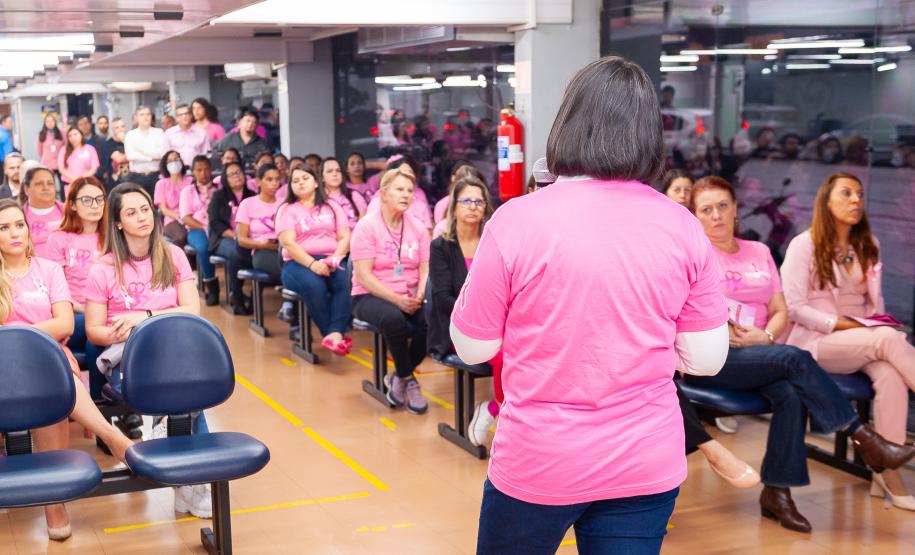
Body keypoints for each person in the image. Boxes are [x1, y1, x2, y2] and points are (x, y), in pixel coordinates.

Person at [451, 56, 730, 554]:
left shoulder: (516, 221)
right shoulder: (682, 225)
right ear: (649, 133)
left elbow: (473, 348)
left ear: (568, 123)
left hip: (541, 458)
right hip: (644, 460)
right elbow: (707, 361)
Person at [685, 175, 915, 532]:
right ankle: (865, 438)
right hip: (716, 356)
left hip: (761, 351)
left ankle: (777, 493)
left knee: (791, 393)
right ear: (693, 216)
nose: (716, 215)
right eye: (706, 209)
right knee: (795, 358)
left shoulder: (759, 252)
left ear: (736, 211)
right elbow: (687, 311)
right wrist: (728, 333)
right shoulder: (694, 257)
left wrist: (766, 335)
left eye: (723, 206)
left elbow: (781, 308)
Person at [0, 198, 134, 541]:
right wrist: (21, 338)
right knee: (42, 368)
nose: (15, 232)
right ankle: (111, 436)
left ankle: (54, 498)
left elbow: (64, 325)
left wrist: (18, 334)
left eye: (19, 224)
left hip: (47, 358)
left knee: (53, 372)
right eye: (4, 227)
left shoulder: (47, 269)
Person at [781, 172, 915, 509]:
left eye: (859, 194)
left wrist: (872, 324)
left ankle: (885, 471)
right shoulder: (804, 244)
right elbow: (795, 308)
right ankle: (886, 472)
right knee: (886, 338)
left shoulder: (868, 245)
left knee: (890, 374)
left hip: (863, 338)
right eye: (846, 194)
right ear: (826, 201)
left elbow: (876, 305)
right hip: (816, 342)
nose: (856, 200)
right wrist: (841, 324)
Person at [83, 182, 210, 519]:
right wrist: (122, 328)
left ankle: (189, 483)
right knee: (186, 394)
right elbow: (93, 331)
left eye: (144, 209)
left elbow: (192, 308)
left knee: (191, 389)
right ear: (118, 223)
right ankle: (194, 485)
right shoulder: (103, 268)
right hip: (131, 360)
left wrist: (145, 317)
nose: (142, 217)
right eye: (131, 212)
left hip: (177, 353)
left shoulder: (173, 254)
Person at [351, 164, 430, 414]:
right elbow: (363, 275)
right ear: (383, 194)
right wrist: (397, 299)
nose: (406, 195)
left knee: (434, 320)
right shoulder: (367, 227)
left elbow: (425, 268)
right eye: (399, 189)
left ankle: (399, 376)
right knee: (395, 320)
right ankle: (409, 379)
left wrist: (420, 293)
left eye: (409, 190)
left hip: (409, 295)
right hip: (369, 295)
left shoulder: (417, 227)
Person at [428, 176, 502, 445]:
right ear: (455, 208)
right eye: (467, 201)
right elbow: (443, 298)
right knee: (506, 353)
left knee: (523, 348)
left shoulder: (493, 242)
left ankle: (496, 408)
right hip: (455, 326)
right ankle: (498, 409)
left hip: (495, 322)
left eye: (479, 201)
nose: (473, 207)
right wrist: (482, 313)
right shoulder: (441, 246)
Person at [45, 177, 114, 402]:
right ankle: (108, 408)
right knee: (93, 328)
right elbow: (56, 288)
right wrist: (85, 309)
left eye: (99, 199)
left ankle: (101, 408)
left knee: (94, 343)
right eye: (87, 199)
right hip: (73, 317)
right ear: (73, 204)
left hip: (106, 316)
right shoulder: (59, 238)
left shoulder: (113, 238)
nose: (95, 205)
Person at [277, 165, 352, 354]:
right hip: (298, 263)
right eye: (295, 181)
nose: (300, 182)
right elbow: (288, 243)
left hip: (330, 259)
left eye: (305, 178)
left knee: (346, 281)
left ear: (316, 182)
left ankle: (335, 333)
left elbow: (345, 236)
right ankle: (331, 333)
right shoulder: (287, 209)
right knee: (315, 285)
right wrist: (312, 264)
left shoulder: (332, 206)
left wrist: (336, 258)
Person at [207, 160, 254, 314]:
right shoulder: (218, 196)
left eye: (239, 172)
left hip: (248, 238)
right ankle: (237, 296)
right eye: (232, 174)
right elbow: (215, 222)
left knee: (256, 254)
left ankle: (252, 297)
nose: (237, 176)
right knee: (236, 252)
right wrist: (236, 236)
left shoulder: (252, 196)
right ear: (225, 178)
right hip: (223, 238)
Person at [179, 155, 220, 305]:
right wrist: (204, 227)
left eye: (206, 169)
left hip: (219, 229)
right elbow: (186, 217)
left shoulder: (219, 188)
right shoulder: (187, 191)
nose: (203, 173)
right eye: (199, 170)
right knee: (203, 247)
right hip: (197, 229)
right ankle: (212, 288)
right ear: (193, 172)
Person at [235, 164, 283, 285]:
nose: (274, 183)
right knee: (286, 270)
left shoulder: (284, 203)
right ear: (258, 182)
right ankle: (290, 301)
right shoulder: (247, 204)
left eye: (277, 179)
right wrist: (263, 245)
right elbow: (241, 239)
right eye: (269, 179)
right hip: (261, 251)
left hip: (285, 248)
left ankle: (291, 301)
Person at [20, 166, 65, 258]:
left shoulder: (68, 212)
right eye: (39, 184)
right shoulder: (19, 216)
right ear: (26, 189)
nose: (46, 187)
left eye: (50, 183)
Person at [124, 106, 167, 198]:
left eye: (148, 114)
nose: (145, 117)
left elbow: (162, 153)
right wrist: (151, 157)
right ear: (136, 118)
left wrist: (142, 150)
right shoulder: (130, 135)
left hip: (155, 176)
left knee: (155, 206)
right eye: (142, 115)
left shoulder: (159, 133)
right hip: (136, 177)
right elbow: (131, 156)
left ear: (151, 116)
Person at [153, 150, 192, 246]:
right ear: (165, 165)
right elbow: (163, 209)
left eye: (176, 159)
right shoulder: (161, 184)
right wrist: (178, 217)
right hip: (172, 220)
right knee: (181, 236)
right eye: (170, 161)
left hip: (192, 217)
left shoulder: (191, 181)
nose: (174, 162)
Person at [322, 157, 365, 230]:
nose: (335, 174)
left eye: (338, 171)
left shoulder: (353, 195)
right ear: (322, 177)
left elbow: (364, 224)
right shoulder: (318, 199)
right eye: (329, 171)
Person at [58, 127, 100, 196]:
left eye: (75, 134)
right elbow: (61, 168)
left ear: (81, 135)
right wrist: (74, 179)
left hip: (86, 184)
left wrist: (81, 179)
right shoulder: (64, 150)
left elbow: (94, 167)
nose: (73, 137)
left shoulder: (90, 149)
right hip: (69, 186)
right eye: (70, 136)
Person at [99, 117, 127, 190]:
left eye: (123, 126)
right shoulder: (108, 144)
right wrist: (133, 155)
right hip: (115, 182)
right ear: (113, 129)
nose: (121, 129)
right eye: (117, 127)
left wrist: (125, 141)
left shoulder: (130, 141)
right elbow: (119, 159)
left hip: (131, 179)